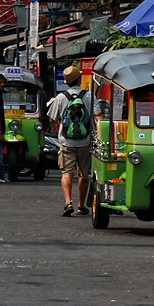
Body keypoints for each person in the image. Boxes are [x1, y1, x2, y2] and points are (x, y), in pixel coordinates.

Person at [47, 66, 91, 217]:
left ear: (67, 82)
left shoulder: (60, 97)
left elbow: (52, 120)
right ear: (79, 79)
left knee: (66, 173)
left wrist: (58, 127)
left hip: (66, 142)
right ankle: (81, 206)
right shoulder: (89, 96)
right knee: (84, 175)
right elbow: (97, 116)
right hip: (85, 142)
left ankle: (68, 203)